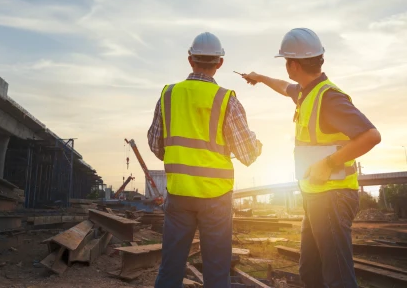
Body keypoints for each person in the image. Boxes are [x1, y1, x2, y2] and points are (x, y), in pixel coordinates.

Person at [242, 28, 381, 288]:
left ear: (293, 65)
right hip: (316, 197)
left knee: (337, 277)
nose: (285, 67)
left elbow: (371, 136)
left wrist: (329, 163)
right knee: (311, 273)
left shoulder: (329, 98)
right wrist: (259, 78)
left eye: (285, 61)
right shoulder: (307, 92)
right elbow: (284, 87)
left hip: (333, 197)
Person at [148, 32, 262, 288]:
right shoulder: (225, 99)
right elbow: (248, 154)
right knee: (217, 274)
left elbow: (156, 143)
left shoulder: (169, 95)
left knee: (170, 270)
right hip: (216, 198)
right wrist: (257, 143)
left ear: (190, 60)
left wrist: (180, 159)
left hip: (179, 195)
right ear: (219, 63)